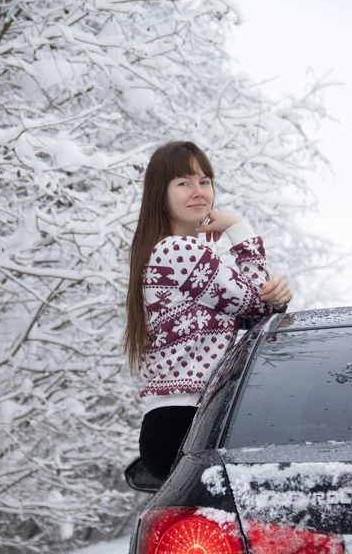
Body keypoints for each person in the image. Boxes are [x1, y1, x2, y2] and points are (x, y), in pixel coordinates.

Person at [123, 140, 292, 480]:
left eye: (205, 181)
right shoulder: (178, 250)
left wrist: (275, 298)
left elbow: (260, 315)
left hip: (176, 422)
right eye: (183, 183)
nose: (198, 191)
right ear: (160, 192)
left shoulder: (167, 252)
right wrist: (237, 228)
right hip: (186, 421)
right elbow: (258, 302)